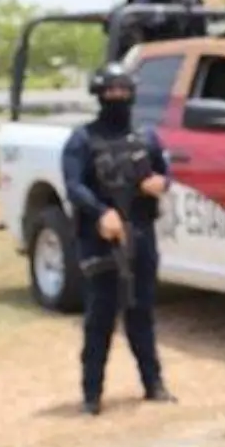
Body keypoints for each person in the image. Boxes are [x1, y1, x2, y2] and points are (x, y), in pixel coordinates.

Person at [62, 63, 175, 415]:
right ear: (99, 95)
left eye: (123, 91)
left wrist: (160, 184)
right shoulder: (83, 139)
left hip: (140, 234)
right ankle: (92, 395)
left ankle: (153, 385)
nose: (117, 98)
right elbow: (73, 185)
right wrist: (100, 212)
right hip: (101, 238)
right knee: (100, 315)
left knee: (141, 310)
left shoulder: (147, 136)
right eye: (110, 92)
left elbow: (165, 172)